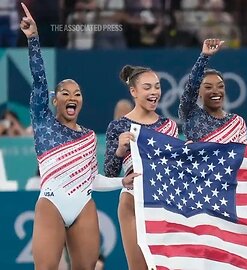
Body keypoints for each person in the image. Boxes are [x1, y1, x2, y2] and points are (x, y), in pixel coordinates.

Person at [21, 4, 137, 269]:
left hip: (83, 206)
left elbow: (91, 179)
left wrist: (123, 182)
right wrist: (33, 40)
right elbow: (39, 83)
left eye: (78, 94)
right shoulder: (43, 122)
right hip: (51, 203)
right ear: (55, 100)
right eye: (66, 93)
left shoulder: (87, 137)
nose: (72, 97)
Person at [104, 64, 178, 270]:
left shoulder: (169, 126)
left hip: (163, 204)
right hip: (132, 204)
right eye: (147, 87)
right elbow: (110, 172)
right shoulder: (118, 126)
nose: (154, 92)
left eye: (157, 86)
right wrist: (120, 149)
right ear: (133, 91)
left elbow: (173, 170)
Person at [178, 38, 247, 144]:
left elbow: (245, 153)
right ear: (198, 92)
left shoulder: (236, 122)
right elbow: (191, 87)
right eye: (208, 87)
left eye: (220, 86)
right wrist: (204, 56)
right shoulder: (192, 114)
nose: (215, 91)